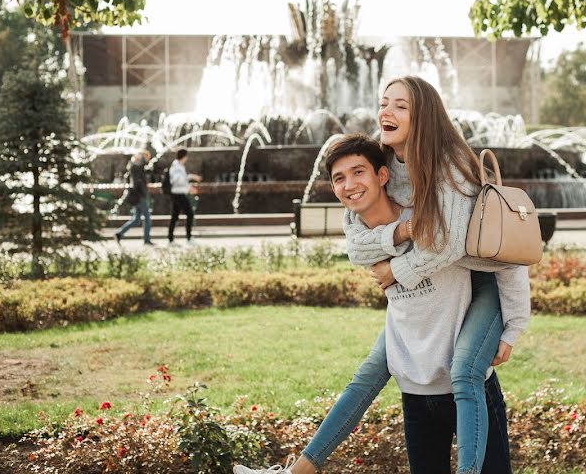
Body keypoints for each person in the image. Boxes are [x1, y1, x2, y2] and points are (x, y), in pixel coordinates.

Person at [236, 78, 530, 474]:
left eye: (400, 106)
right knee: (365, 379)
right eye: (383, 103)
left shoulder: (451, 168)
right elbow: (358, 241)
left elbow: (449, 245)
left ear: (423, 115)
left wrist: (394, 270)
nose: (386, 113)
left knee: (464, 372)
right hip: (433, 291)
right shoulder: (384, 165)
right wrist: (400, 233)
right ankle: (296, 472)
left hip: (482, 281)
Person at [114, 150, 153, 245]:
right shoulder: (135, 166)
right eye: (145, 157)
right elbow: (139, 176)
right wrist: (143, 159)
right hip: (139, 195)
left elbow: (147, 171)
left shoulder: (137, 166)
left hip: (138, 195)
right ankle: (147, 240)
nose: (146, 159)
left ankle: (119, 233)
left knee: (136, 219)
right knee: (147, 218)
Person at [168, 148, 202, 244]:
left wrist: (191, 177)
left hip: (177, 193)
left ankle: (171, 239)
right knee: (189, 214)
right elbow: (178, 180)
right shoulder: (177, 167)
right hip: (178, 194)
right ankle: (188, 238)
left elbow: (180, 179)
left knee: (175, 216)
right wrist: (189, 188)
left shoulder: (177, 166)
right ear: (184, 157)